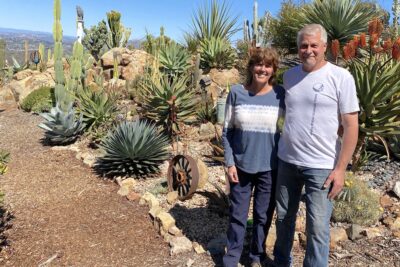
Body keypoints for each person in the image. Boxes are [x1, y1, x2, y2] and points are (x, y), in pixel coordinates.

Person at [273, 24, 359, 267]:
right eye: (303, 46)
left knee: (318, 228)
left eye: (313, 45)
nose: (308, 50)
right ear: (298, 48)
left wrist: (341, 169)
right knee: (283, 219)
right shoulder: (289, 76)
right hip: (287, 160)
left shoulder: (341, 77)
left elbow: (351, 126)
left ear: (324, 47)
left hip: (322, 166)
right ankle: (281, 262)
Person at [222, 47, 285, 267]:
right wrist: (229, 162)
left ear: (273, 70)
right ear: (251, 67)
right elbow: (227, 130)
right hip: (240, 166)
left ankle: (256, 256)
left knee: (263, 216)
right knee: (238, 215)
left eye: (268, 65)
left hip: (270, 167)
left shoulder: (280, 95)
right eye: (258, 64)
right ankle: (231, 257)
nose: (262, 69)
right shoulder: (236, 92)